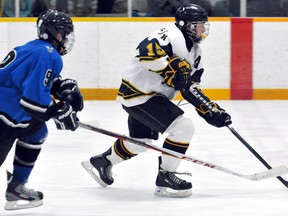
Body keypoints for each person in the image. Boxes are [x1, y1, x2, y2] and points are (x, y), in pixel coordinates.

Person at [81, 4, 232, 198]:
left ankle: (103, 161)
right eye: (197, 26)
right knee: (183, 128)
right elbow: (146, 52)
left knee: (141, 141)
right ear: (184, 25)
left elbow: (190, 87)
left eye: (204, 26)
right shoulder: (170, 34)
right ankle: (166, 177)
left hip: (150, 97)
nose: (202, 30)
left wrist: (210, 109)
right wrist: (169, 67)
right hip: (139, 93)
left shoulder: (196, 54)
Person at [0, 9, 83, 210]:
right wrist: (60, 111)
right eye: (64, 33)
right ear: (54, 32)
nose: (67, 38)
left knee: (37, 132)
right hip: (4, 116)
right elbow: (33, 102)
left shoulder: (35, 48)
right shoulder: (48, 55)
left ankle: (17, 186)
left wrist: (60, 87)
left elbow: (34, 81)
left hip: (10, 113)